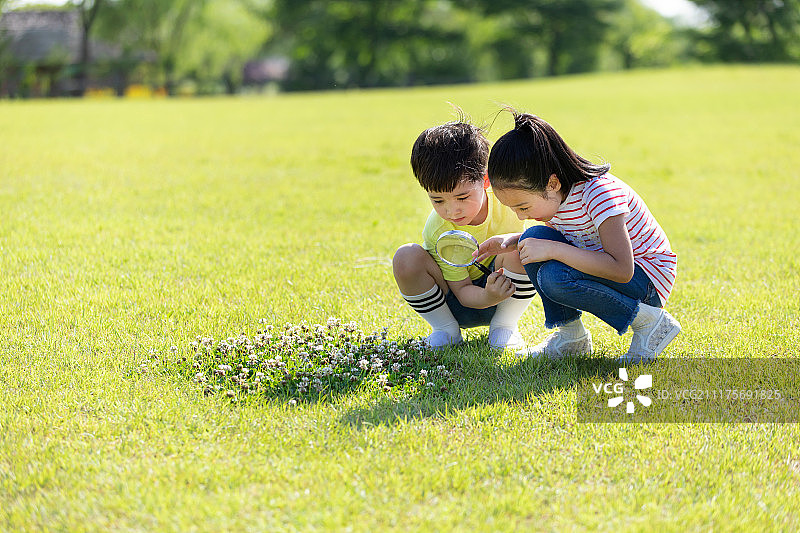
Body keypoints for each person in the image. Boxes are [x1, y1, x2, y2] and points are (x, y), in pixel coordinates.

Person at [476, 112, 680, 364]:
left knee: (554, 277)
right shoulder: (558, 199)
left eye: (524, 207)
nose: (520, 216)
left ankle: (650, 322)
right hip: (618, 271)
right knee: (532, 237)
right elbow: (572, 239)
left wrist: (553, 250)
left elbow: (622, 269)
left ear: (552, 184)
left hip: (646, 280)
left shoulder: (599, 194)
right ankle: (572, 338)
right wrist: (512, 241)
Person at [392, 121, 536, 350]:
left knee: (525, 244)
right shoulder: (439, 229)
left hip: (508, 292)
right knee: (405, 257)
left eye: (462, 197)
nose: (452, 211)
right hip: (453, 300)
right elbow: (463, 292)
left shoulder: (508, 201)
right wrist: (488, 296)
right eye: (437, 200)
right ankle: (445, 331)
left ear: (486, 180)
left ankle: (505, 327)